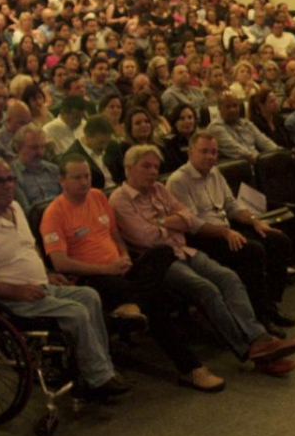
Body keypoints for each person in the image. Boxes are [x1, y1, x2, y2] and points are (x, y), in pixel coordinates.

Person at [110, 145, 295, 376]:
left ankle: (259, 337)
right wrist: (173, 221)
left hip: (185, 249)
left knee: (228, 278)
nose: (153, 172)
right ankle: (251, 350)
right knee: (206, 288)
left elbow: (189, 218)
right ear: (129, 168)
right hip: (159, 261)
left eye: (156, 167)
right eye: (146, 166)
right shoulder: (120, 199)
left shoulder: (159, 188)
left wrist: (160, 222)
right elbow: (144, 237)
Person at [41, 156, 225, 393]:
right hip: (92, 278)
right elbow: (60, 262)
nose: (84, 182)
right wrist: (107, 269)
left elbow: (115, 235)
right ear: (62, 181)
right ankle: (191, 368)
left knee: (163, 251)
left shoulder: (97, 196)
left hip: (120, 270)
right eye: (77, 177)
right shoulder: (54, 213)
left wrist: (125, 257)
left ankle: (131, 302)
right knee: (154, 301)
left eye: (87, 176)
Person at [0, 157, 132, 398]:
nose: (8, 185)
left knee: (89, 296)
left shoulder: (15, 208)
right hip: (12, 300)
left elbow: (29, 250)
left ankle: (99, 366)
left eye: (10, 179)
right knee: (76, 312)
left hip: (40, 286)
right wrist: (16, 292)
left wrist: (47, 273)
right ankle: (98, 377)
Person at [166, 132, 295, 332]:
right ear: (191, 152)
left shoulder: (215, 173)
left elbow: (231, 205)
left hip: (225, 229)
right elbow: (193, 224)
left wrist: (254, 221)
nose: (210, 156)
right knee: (253, 251)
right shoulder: (178, 181)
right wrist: (226, 233)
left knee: (279, 241)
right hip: (201, 238)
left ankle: (271, 304)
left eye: (214, 152)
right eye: (204, 151)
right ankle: (259, 315)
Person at [11, 125, 61, 212]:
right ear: (18, 147)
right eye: (34, 148)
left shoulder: (54, 170)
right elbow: (27, 213)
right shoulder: (12, 175)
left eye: (43, 147)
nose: (40, 153)